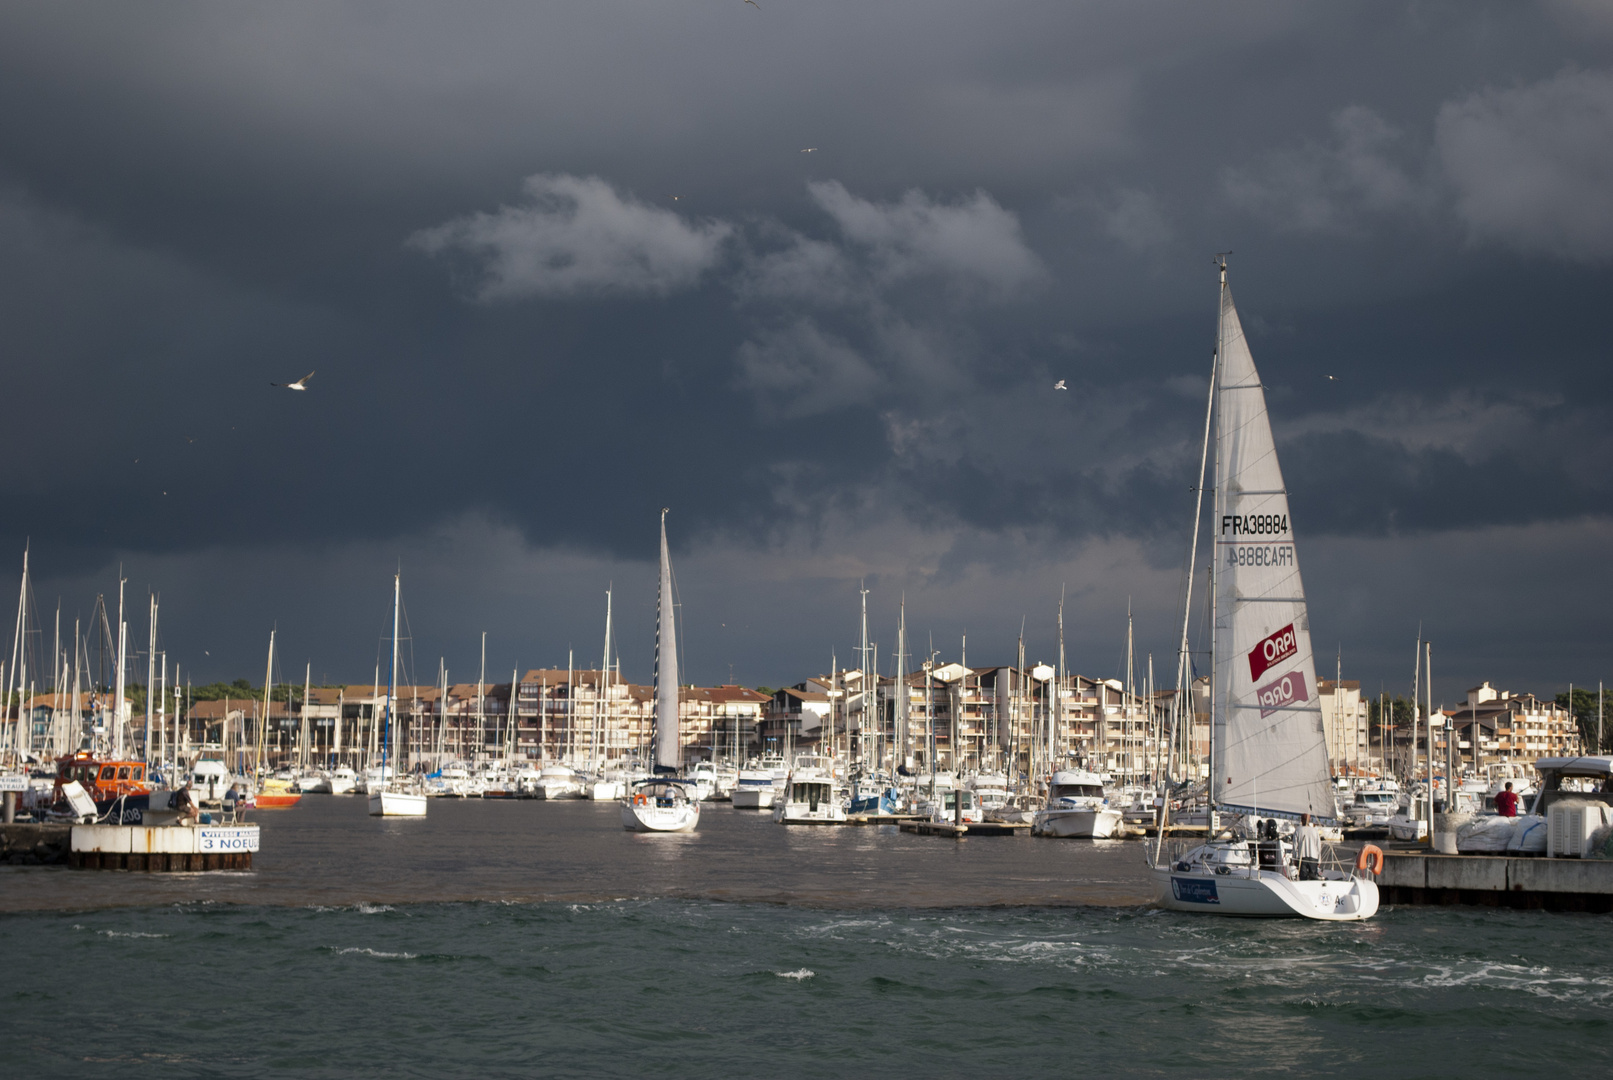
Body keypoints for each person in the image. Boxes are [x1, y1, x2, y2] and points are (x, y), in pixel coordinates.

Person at [1295, 812, 1322, 881]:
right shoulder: (1314, 831)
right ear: (1309, 820)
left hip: (1302, 858)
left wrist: (1294, 859)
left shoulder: (1298, 830)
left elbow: (1295, 847)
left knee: (1303, 878)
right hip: (1313, 858)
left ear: (1301, 820)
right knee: (1313, 878)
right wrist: (1319, 860)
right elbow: (1318, 846)